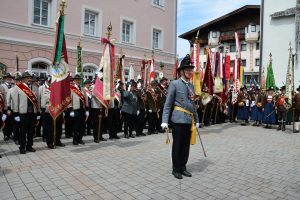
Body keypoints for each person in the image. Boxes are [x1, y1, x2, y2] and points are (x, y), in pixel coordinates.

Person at [161, 54, 199, 179]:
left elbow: (192, 104)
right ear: (182, 71)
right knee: (178, 144)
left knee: (185, 145)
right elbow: (168, 104)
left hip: (189, 120)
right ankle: (176, 168)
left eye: (191, 69)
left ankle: (183, 167)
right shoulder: (175, 84)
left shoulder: (191, 86)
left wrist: (197, 119)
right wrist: (164, 120)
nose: (190, 71)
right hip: (177, 119)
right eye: (187, 69)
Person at [12, 71, 40, 154]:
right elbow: (15, 102)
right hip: (23, 113)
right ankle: (22, 147)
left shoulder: (35, 88)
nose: (29, 79)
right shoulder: (18, 87)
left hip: (32, 113)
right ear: (23, 79)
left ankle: (29, 146)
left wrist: (38, 112)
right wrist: (16, 113)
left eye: (30, 78)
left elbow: (37, 101)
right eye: (27, 78)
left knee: (31, 131)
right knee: (23, 131)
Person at [70, 74, 89, 145]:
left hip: (82, 110)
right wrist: (71, 109)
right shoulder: (71, 89)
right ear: (74, 81)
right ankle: (75, 140)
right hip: (76, 109)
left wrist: (87, 109)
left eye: (79, 80)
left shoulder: (83, 88)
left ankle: (80, 139)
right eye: (77, 80)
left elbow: (86, 99)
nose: (78, 81)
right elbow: (70, 99)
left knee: (82, 126)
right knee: (76, 126)